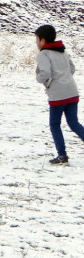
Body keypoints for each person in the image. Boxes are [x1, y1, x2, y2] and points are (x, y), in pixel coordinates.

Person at [35, 24, 84, 164]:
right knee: (74, 123)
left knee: (55, 124)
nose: (36, 43)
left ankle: (62, 155)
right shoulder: (62, 51)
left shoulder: (43, 54)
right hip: (72, 92)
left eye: (37, 39)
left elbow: (45, 73)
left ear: (43, 40)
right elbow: (72, 68)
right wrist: (65, 78)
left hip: (58, 95)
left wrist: (39, 79)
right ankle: (62, 155)